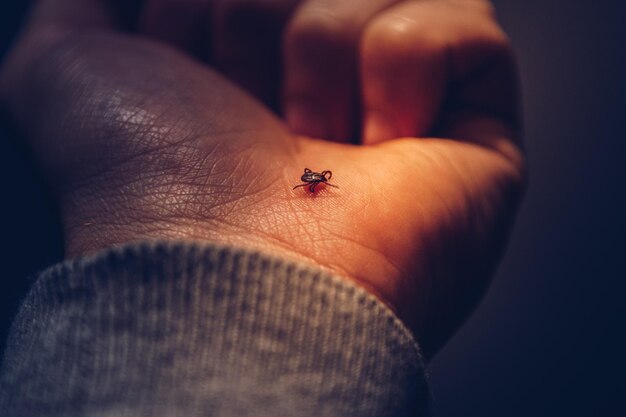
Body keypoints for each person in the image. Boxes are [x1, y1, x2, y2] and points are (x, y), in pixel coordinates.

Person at [0, 0, 525, 415]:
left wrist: (247, 247)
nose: (315, 183)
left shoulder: (315, 181)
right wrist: (229, 236)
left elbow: (314, 185)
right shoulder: (310, 182)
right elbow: (312, 185)